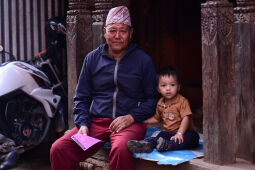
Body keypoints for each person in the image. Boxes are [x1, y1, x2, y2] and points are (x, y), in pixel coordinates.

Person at [50, 6, 157, 170]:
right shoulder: (92, 59)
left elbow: (152, 100)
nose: (117, 36)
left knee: (121, 149)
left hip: (129, 123)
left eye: (123, 31)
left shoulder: (143, 61)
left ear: (131, 33)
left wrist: (131, 117)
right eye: (113, 30)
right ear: (105, 32)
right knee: (59, 149)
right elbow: (81, 97)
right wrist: (83, 124)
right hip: (96, 123)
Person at [127, 66, 199, 153]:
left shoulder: (182, 101)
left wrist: (180, 133)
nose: (168, 88)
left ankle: (168, 145)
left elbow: (186, 118)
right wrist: (143, 121)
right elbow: (157, 118)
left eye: (172, 85)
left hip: (185, 133)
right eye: (163, 85)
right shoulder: (160, 102)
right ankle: (146, 145)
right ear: (158, 89)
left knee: (192, 138)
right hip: (169, 133)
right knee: (157, 134)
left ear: (179, 87)